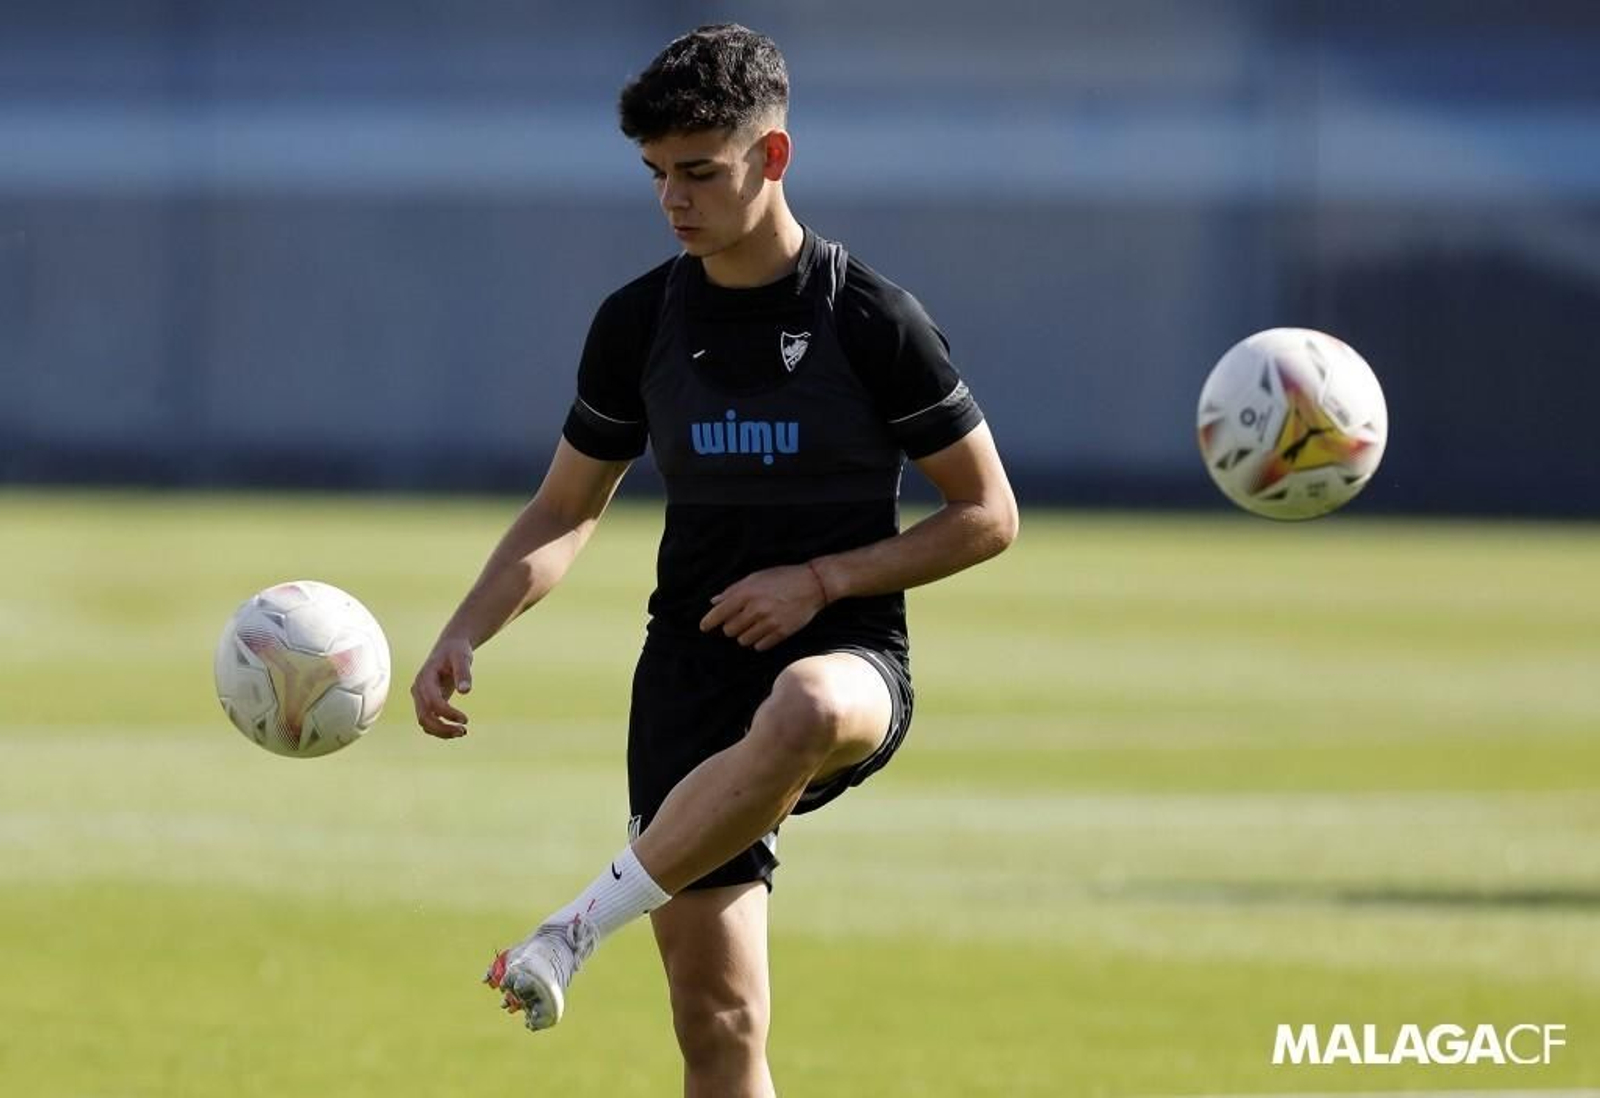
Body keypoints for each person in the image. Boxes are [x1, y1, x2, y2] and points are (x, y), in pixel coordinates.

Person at [411, 23, 1018, 1098]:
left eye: (698, 171)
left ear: (771, 156)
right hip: (689, 680)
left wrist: (823, 581)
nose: (673, 198)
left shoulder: (870, 318)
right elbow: (565, 508)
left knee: (807, 710)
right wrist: (464, 630)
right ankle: (586, 927)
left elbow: (986, 513)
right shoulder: (637, 321)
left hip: (847, 652)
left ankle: (571, 928)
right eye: (655, 175)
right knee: (720, 1027)